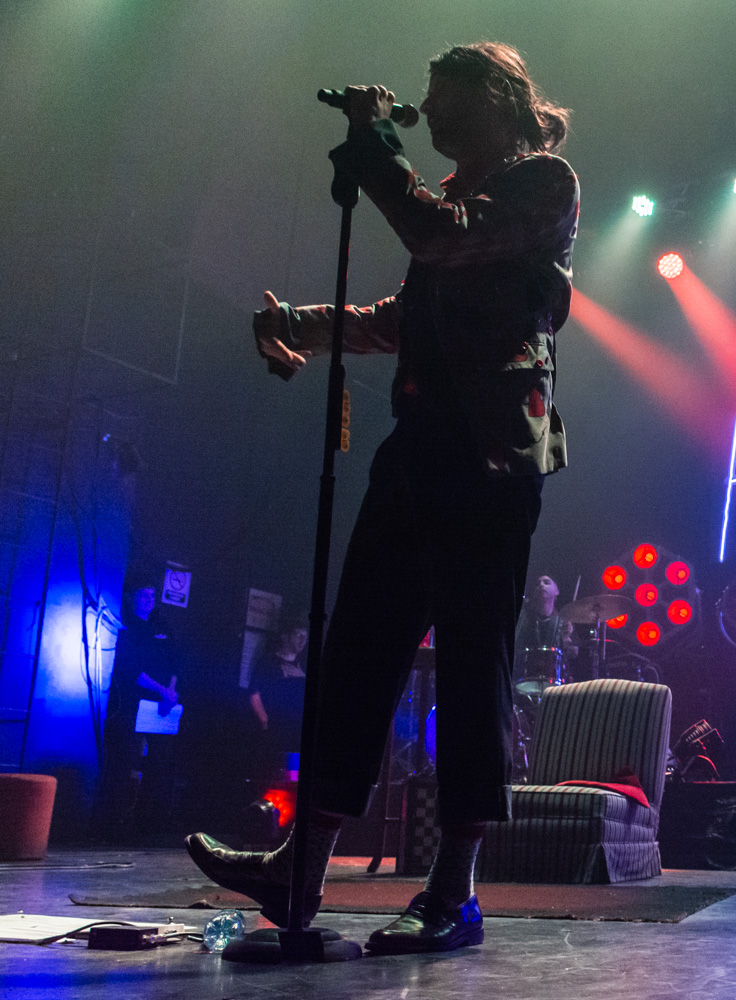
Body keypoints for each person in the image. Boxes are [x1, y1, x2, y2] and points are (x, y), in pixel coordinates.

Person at [186, 42, 578, 954]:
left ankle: (454, 893)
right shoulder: (447, 197)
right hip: (417, 450)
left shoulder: (540, 184)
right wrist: (300, 323)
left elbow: (439, 233)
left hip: (490, 458)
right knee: (359, 653)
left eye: (442, 97)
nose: (427, 114)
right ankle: (301, 870)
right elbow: (402, 318)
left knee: (473, 665)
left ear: (495, 96)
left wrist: (375, 147)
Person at [97, 584, 183, 841]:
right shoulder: (127, 627)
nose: (149, 600)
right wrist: (161, 690)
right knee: (125, 762)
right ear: (130, 597)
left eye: (152, 595)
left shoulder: (161, 626)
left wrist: (170, 693)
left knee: (160, 763)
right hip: (132, 705)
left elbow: (175, 663)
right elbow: (131, 670)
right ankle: (114, 822)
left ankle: (150, 822)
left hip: (163, 707)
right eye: (144, 595)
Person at [248, 624, 308, 777]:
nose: (302, 640)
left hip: (296, 731)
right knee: (270, 772)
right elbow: (254, 693)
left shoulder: (304, 665)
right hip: (272, 730)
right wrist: (264, 721)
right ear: (285, 636)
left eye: (305, 636)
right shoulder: (268, 662)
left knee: (292, 775)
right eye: (298, 635)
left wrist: (301, 675)